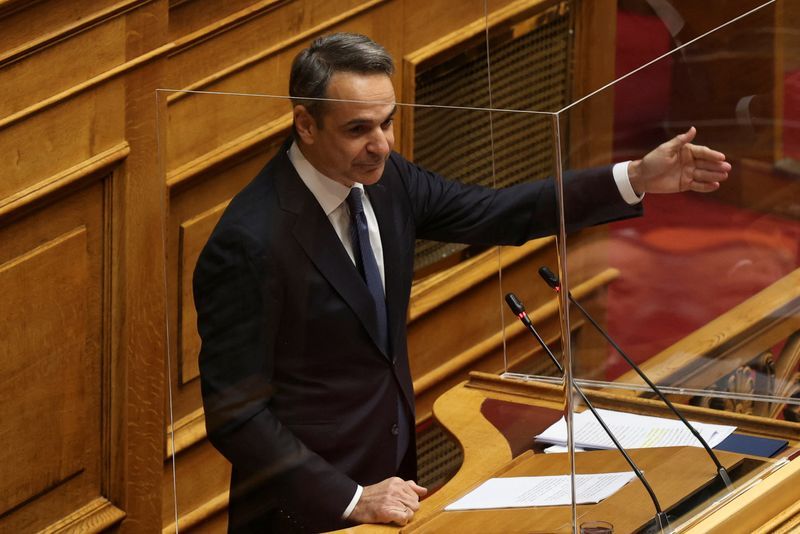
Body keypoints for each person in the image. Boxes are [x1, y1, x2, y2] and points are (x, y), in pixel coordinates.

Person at [193, 33, 730, 533]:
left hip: (393, 486)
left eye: (387, 122)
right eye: (358, 129)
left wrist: (634, 177)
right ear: (306, 125)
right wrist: (352, 498)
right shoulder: (251, 241)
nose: (381, 145)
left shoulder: (386, 180)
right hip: (306, 510)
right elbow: (238, 416)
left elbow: (493, 212)